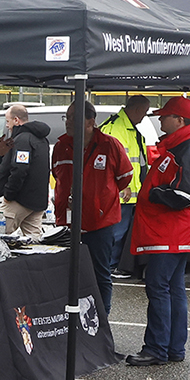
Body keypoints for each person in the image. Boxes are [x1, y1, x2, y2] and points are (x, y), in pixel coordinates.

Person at [126, 96, 190, 367]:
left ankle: (157, 349)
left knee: (159, 286)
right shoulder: (180, 145)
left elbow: (186, 194)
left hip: (172, 230)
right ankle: (172, 348)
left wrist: (155, 194)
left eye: (165, 116)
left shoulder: (188, 148)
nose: (160, 120)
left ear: (179, 120)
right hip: (173, 231)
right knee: (172, 287)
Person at [49, 101, 133, 318]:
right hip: (68, 223)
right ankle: (71, 320)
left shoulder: (109, 145)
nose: (68, 122)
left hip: (100, 223)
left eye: (73, 117)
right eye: (67, 117)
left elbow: (124, 178)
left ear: (90, 122)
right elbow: (57, 175)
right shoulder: (61, 146)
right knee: (69, 273)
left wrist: (99, 199)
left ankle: (101, 319)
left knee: (100, 274)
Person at [98, 96, 150, 274]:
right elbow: (110, 162)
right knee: (116, 233)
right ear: (136, 110)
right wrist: (123, 184)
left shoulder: (128, 128)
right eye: (144, 112)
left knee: (122, 233)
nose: (144, 116)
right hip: (120, 194)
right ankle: (109, 266)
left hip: (129, 194)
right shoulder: (116, 128)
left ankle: (113, 265)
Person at [0, 104, 54, 241]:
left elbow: (19, 169)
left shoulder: (22, 140)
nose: (7, 125)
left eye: (8, 121)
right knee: (34, 241)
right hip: (37, 200)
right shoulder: (42, 140)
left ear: (16, 120)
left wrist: (9, 194)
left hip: (19, 199)